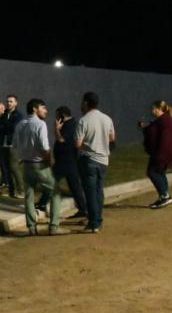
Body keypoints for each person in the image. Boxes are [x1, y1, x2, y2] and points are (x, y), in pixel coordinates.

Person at [13, 99, 62, 235]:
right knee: (56, 193)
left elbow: (15, 145)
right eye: (43, 108)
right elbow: (45, 147)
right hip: (39, 164)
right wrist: (48, 162)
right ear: (35, 109)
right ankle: (53, 226)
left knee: (29, 195)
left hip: (26, 165)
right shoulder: (40, 124)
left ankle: (31, 227)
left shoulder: (20, 124)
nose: (46, 111)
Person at [75, 91, 116, 233]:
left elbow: (78, 144)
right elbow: (112, 139)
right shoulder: (107, 119)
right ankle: (98, 219)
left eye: (82, 102)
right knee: (99, 190)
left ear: (86, 103)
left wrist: (90, 146)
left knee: (90, 192)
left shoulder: (83, 120)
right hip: (104, 160)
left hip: (89, 159)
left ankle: (94, 223)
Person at [36, 107, 87, 219]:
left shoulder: (70, 125)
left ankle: (42, 203)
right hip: (69, 160)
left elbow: (61, 140)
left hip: (65, 161)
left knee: (51, 181)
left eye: (57, 116)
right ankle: (83, 209)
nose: (56, 118)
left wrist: (56, 129)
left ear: (62, 116)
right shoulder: (71, 124)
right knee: (75, 186)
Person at [140, 100, 172, 208]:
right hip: (165, 151)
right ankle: (165, 196)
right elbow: (154, 128)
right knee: (160, 172)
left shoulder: (164, 120)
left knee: (152, 172)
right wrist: (145, 127)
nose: (152, 111)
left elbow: (161, 136)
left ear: (158, 109)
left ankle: (165, 196)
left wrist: (160, 154)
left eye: (153, 108)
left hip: (162, 152)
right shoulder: (164, 119)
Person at [0, 94, 25, 197]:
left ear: (16, 103)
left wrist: (4, 127)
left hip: (13, 145)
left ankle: (21, 190)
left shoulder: (18, 116)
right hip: (3, 145)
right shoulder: (4, 115)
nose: (9, 103)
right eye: (7, 101)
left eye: (11, 101)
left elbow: (13, 128)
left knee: (14, 168)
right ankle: (11, 190)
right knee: (6, 168)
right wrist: (4, 127)